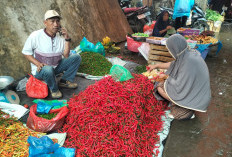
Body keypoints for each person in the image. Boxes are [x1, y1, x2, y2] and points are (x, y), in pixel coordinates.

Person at [148, 34, 211, 120]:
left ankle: (184, 110)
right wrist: (156, 66)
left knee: (160, 87)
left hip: (197, 97)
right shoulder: (189, 54)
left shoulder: (188, 61)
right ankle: (184, 105)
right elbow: (173, 64)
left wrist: (166, 77)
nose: (170, 51)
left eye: (170, 49)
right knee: (167, 83)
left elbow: (180, 85)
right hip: (198, 94)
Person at [22, 10, 81, 99]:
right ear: (45, 23)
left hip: (55, 68)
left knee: (76, 57)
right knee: (48, 69)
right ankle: (54, 89)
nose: (56, 24)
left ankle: (64, 81)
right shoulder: (35, 36)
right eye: (52, 21)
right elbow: (26, 53)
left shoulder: (60, 38)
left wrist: (67, 39)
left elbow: (66, 56)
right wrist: (38, 63)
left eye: (57, 21)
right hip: (41, 70)